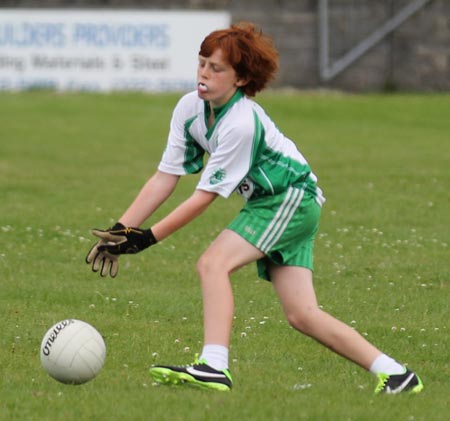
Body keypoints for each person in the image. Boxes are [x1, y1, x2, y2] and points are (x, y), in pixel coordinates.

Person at [86, 22, 423, 395]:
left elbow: (204, 197)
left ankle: (214, 366)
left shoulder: (241, 122)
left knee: (212, 264)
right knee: (302, 315)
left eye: (217, 69)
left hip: (290, 198)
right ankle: (395, 374)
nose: (204, 74)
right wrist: (121, 229)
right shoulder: (189, 108)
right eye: (201, 63)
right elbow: (166, 176)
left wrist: (145, 239)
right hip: (277, 201)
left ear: (242, 79)